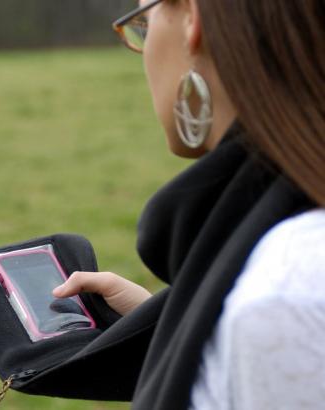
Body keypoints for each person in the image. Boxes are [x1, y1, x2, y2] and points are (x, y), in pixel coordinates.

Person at [53, 0, 325, 408]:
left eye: (144, 22)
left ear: (192, 20)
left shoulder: (281, 301)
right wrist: (172, 324)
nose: (143, 51)